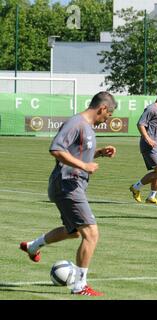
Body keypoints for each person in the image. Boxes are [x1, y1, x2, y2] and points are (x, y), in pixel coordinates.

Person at [19, 91, 118, 296]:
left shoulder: (88, 127)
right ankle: (80, 286)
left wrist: (99, 153)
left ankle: (32, 246)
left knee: (73, 231)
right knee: (91, 234)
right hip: (67, 184)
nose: (106, 120)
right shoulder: (76, 123)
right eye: (107, 116)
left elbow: (76, 151)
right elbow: (56, 149)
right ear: (103, 109)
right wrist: (84, 165)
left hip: (71, 184)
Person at [129, 86, 157, 205]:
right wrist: (147, 138)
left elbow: (153, 127)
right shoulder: (151, 109)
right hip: (149, 146)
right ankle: (136, 187)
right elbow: (140, 124)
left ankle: (152, 197)